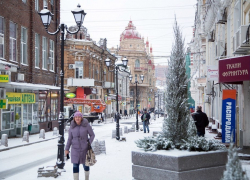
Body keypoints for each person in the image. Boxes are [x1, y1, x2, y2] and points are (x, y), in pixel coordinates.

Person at [65, 111, 95, 180]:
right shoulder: (72, 126)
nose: (77, 118)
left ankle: (86, 178)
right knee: (75, 166)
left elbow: (92, 135)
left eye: (79, 117)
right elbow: (69, 139)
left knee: (86, 165)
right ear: (74, 118)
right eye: (76, 117)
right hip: (75, 149)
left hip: (85, 149)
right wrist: (67, 149)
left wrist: (89, 143)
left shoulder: (86, 125)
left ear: (81, 118)